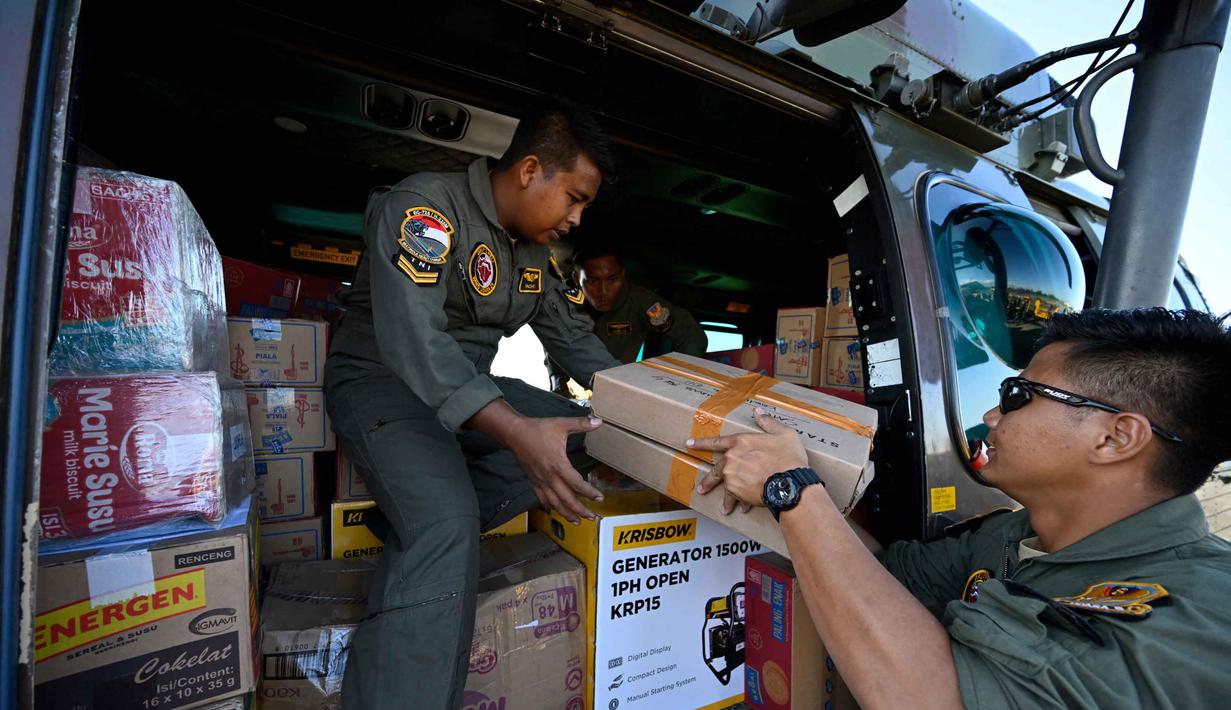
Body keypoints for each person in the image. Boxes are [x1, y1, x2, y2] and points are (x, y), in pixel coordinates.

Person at [692, 308, 1231, 708]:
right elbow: (884, 578)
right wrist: (789, 487)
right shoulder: (1018, 538)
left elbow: (933, 699)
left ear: (1117, 438)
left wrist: (793, 491)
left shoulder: (1197, 619)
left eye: (1019, 396)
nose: (993, 414)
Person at [324, 96, 621, 709]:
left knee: (596, 433)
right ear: (531, 169)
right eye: (575, 198)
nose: (577, 220)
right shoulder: (427, 208)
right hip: (382, 381)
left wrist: (658, 411)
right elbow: (413, 340)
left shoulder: (536, 258)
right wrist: (513, 430)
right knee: (447, 521)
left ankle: (410, 511)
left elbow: (577, 343)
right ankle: (431, 517)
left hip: (467, 395)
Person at [573, 239, 708, 363]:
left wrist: (678, 379)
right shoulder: (563, 303)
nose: (604, 292)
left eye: (612, 280)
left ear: (623, 275)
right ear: (576, 280)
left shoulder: (640, 301)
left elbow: (692, 335)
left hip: (616, 381)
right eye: (593, 281)